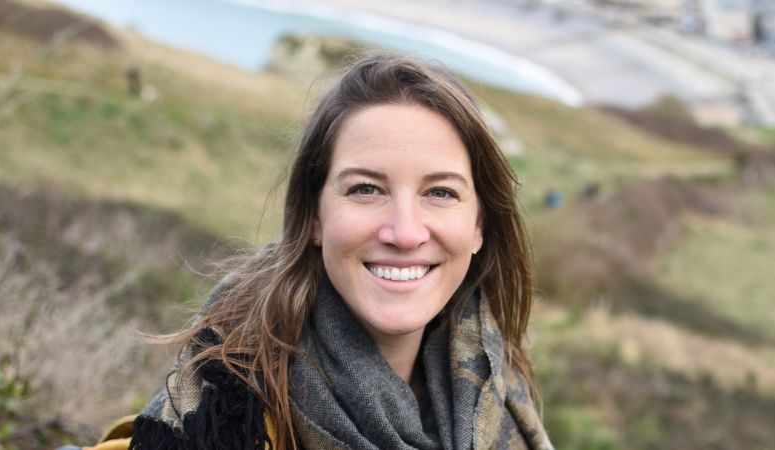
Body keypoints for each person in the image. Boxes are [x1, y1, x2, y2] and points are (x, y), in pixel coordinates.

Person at [127, 52, 553, 450]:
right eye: (365, 189)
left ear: (479, 224)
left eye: (440, 192)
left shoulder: (496, 376)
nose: (404, 233)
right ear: (314, 216)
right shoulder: (221, 413)